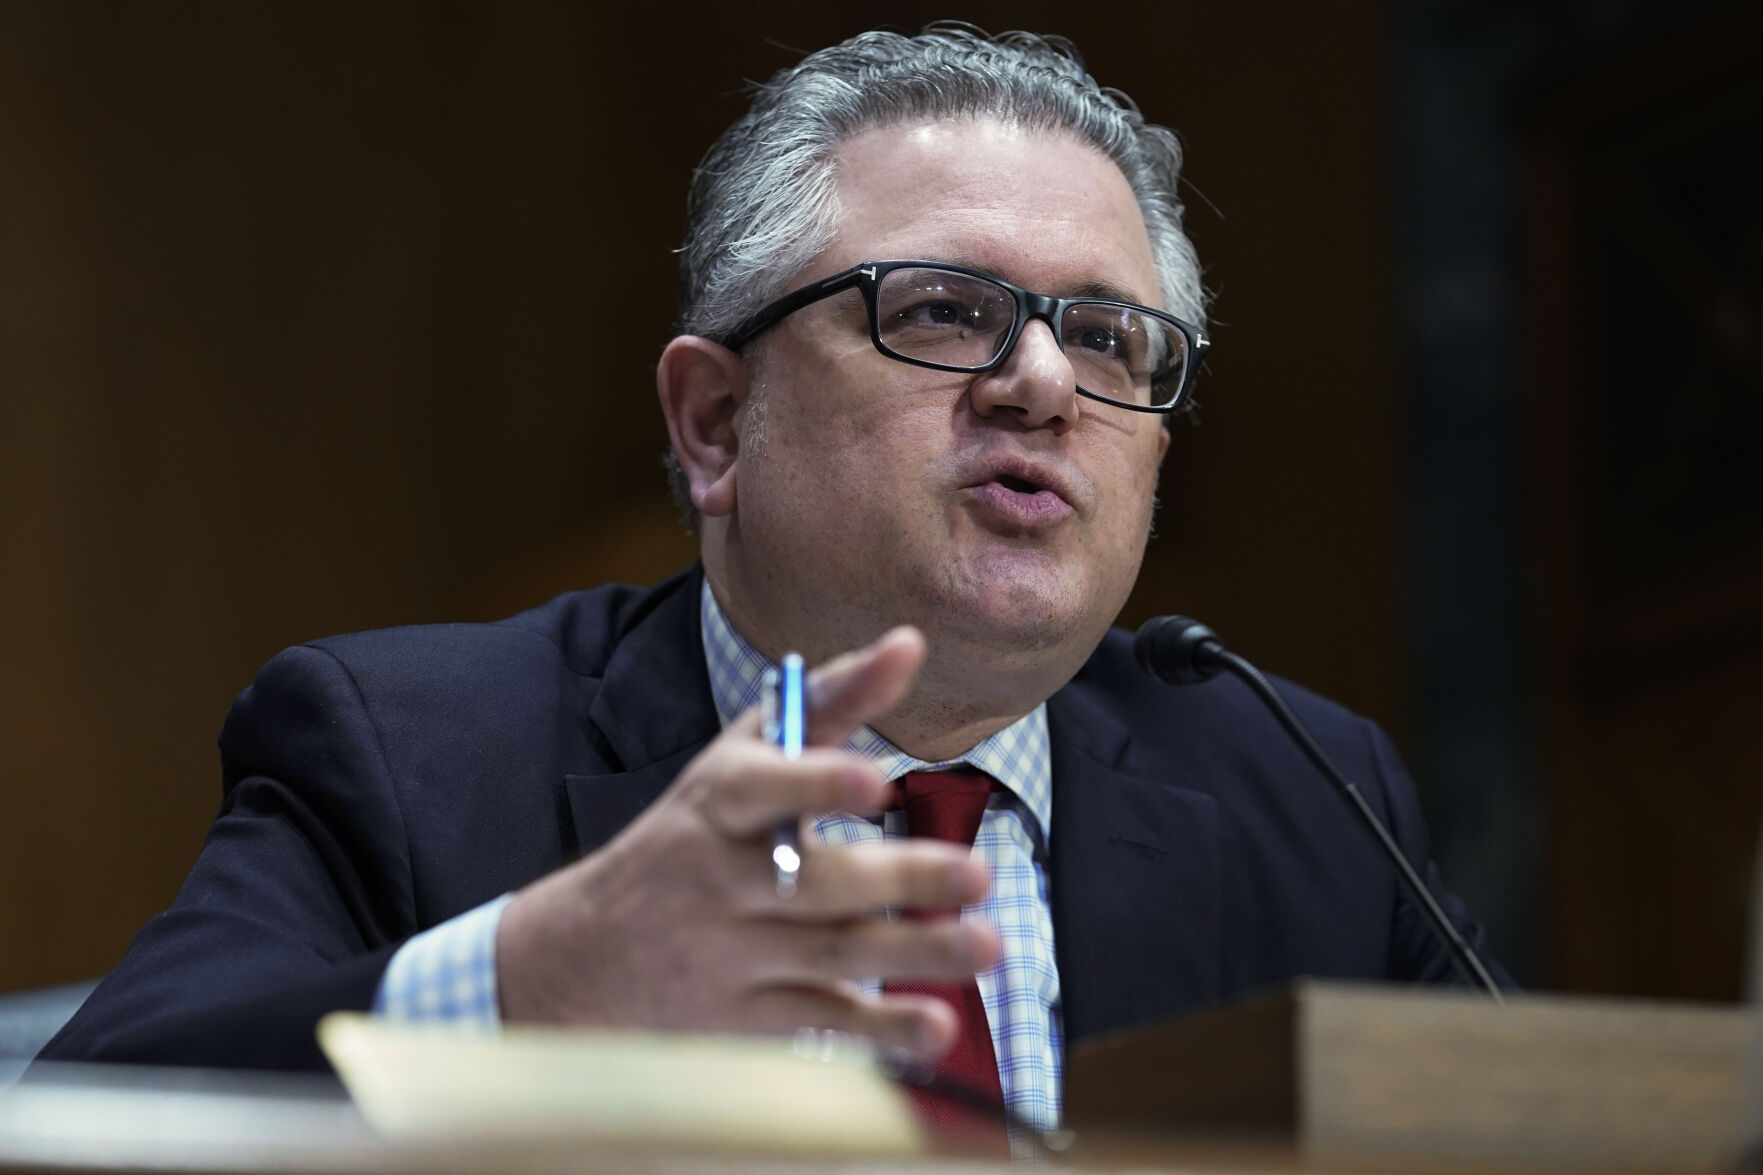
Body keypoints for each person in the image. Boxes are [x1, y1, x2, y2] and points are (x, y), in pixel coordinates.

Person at [40, 25, 1505, 1140]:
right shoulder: (410, 751)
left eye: (1113, 340)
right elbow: (89, 1126)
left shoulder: (1308, 798)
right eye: (945, 310)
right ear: (716, 423)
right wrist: (533, 981)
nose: (1046, 383)